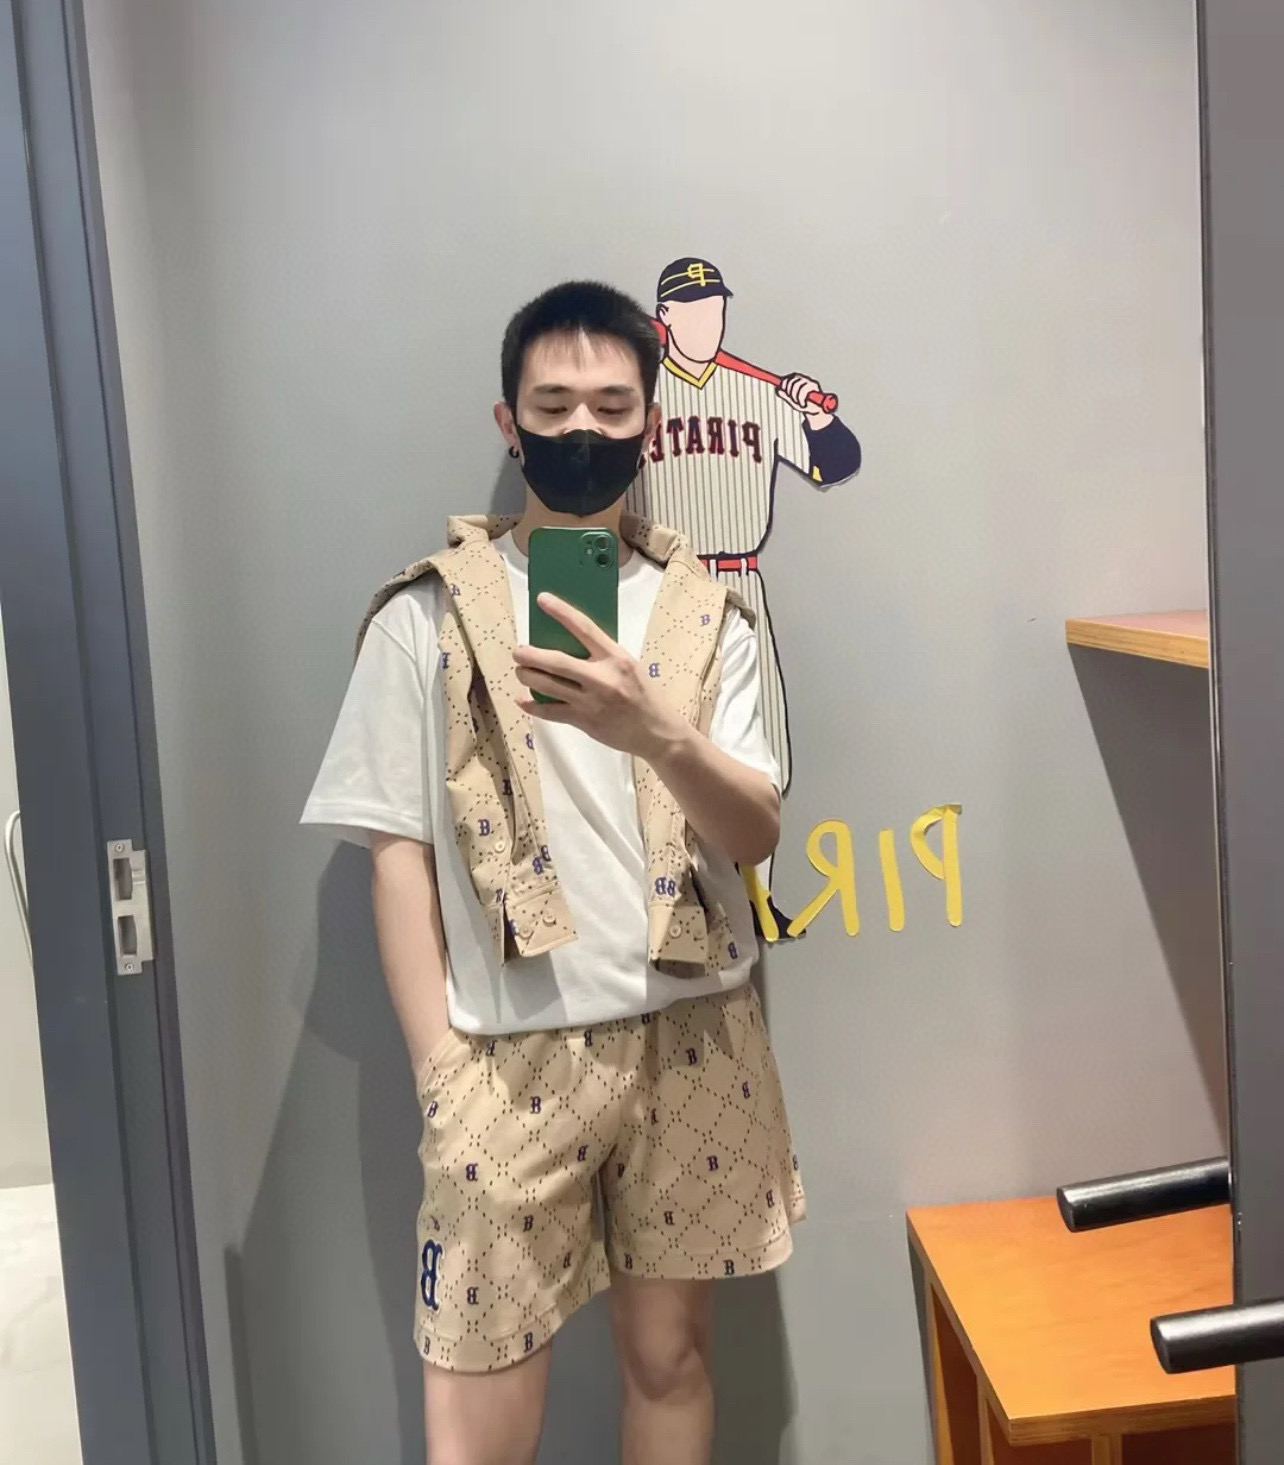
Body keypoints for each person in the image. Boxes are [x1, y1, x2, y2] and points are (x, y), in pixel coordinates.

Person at [302, 280, 805, 1465]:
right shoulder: (424, 619)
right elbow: (395, 857)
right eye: (555, 404)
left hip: (694, 1034)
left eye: (613, 407)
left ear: (651, 427)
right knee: (478, 1408)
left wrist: (657, 732)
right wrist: (440, 1069)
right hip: (503, 1057)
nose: (585, 428)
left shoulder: (711, 617)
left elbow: (754, 833)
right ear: (510, 423)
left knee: (671, 1363)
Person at [626, 257, 862, 939]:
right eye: (693, 310)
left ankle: (758, 902)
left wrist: (815, 418)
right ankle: (672, 900)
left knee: (763, 753)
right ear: (665, 318)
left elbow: (838, 463)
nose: (709, 321)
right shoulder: (637, 396)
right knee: (664, 749)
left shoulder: (756, 391)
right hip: (660, 585)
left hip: (740, 581)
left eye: (716, 308)